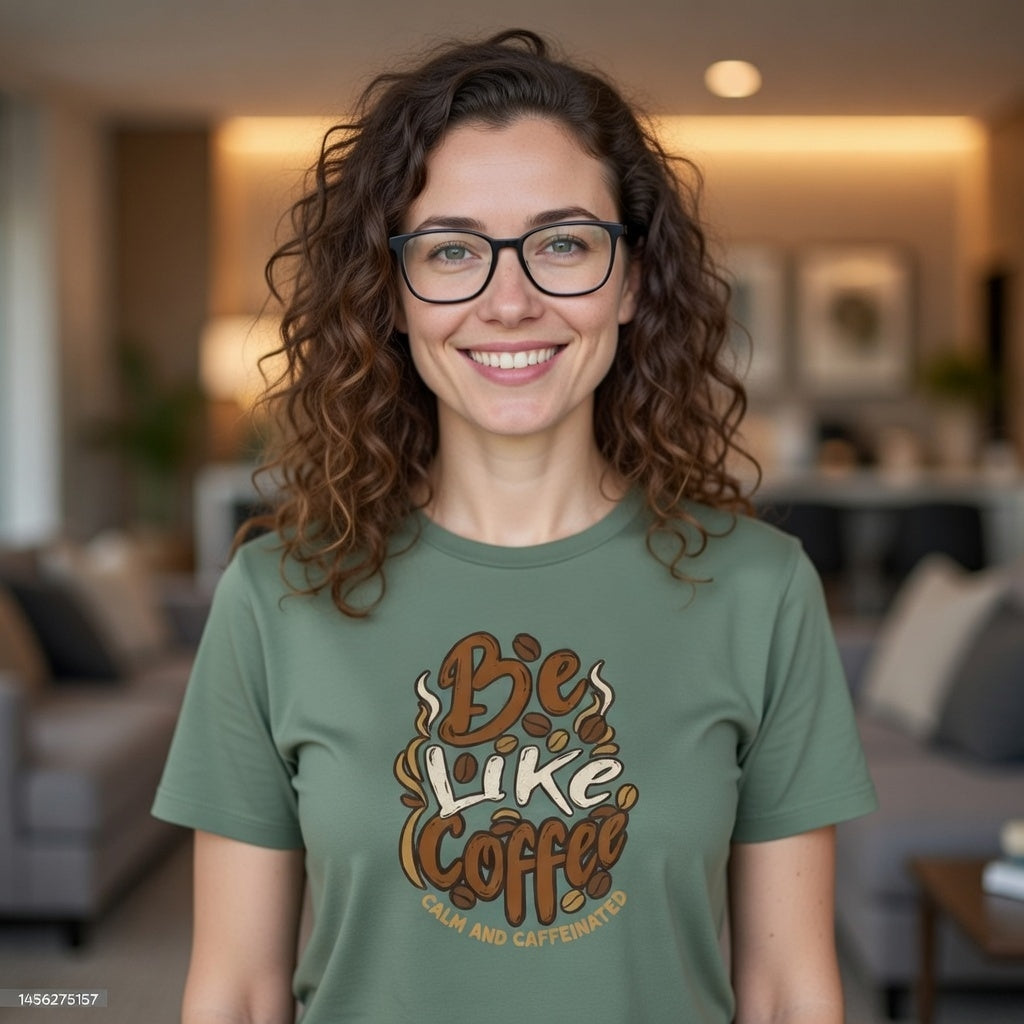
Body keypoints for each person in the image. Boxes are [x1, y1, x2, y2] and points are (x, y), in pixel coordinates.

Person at [153, 28, 876, 1024]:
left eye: (562, 243)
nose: (509, 300)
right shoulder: (279, 593)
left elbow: (790, 988)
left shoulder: (759, 587)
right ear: (393, 296)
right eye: (451, 249)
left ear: (629, 282)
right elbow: (234, 990)